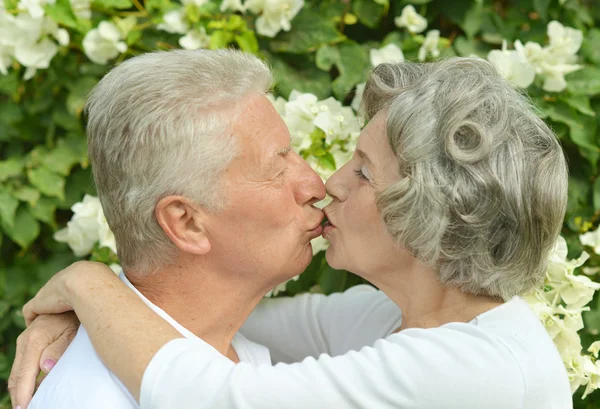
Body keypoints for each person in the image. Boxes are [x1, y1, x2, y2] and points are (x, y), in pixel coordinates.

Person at [12, 57, 573, 409]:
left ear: (429, 217)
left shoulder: (474, 371)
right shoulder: (387, 320)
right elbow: (198, 312)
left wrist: (86, 284)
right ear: (185, 221)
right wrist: (97, 305)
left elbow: (216, 400)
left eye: (363, 172)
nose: (325, 182)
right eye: (280, 163)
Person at [14, 48, 328, 409]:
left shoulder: (229, 347)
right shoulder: (94, 399)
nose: (315, 186)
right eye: (277, 167)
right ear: (187, 223)